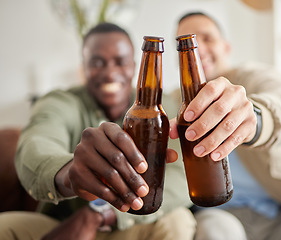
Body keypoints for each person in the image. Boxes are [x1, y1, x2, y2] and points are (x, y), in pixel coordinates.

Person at [0, 23, 196, 240]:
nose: (110, 73)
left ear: (133, 66)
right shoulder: (61, 102)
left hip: (130, 224)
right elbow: (35, 146)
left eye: (120, 62)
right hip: (62, 227)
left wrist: (100, 213)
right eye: (97, 62)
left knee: (178, 221)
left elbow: (182, 177)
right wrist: (70, 172)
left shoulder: (161, 107)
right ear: (83, 69)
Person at [174, 11, 281, 240]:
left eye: (207, 38)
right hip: (220, 214)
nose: (198, 48)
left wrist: (255, 120)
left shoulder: (253, 75)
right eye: (187, 42)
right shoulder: (172, 105)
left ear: (226, 47)